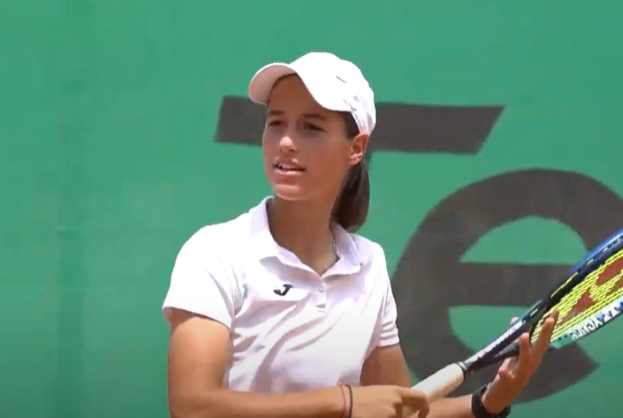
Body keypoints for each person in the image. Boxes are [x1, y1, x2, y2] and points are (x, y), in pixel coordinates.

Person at [162, 51, 557, 418]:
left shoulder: (369, 265)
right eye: (276, 122)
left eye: (310, 127)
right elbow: (193, 406)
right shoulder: (214, 252)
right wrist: (344, 401)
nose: (285, 142)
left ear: (356, 148)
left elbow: (401, 410)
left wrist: (488, 402)